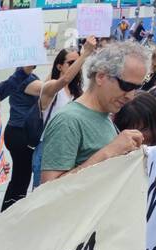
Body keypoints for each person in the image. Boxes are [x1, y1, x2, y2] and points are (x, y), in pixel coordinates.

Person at [40, 42, 148, 184]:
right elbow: (48, 191)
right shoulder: (68, 120)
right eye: (126, 86)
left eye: (136, 88)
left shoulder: (104, 115)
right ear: (101, 77)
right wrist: (110, 151)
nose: (130, 96)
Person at [1, 47, 88, 210]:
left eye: (77, 62)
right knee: (36, 192)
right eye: (71, 62)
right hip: (42, 145)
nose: (76, 65)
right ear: (59, 66)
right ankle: (8, 216)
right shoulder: (49, 87)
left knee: (57, 195)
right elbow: (62, 81)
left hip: (67, 148)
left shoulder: (76, 92)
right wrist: (86, 54)